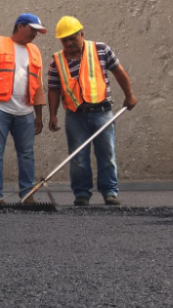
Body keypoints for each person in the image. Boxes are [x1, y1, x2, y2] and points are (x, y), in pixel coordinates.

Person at [48, 16, 136, 206]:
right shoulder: (57, 61)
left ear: (82, 34)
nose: (69, 43)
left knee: (107, 153)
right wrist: (53, 114)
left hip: (102, 112)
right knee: (78, 157)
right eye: (65, 40)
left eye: (73, 38)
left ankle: (110, 192)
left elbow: (119, 72)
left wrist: (129, 95)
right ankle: (82, 193)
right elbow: (54, 89)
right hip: (75, 116)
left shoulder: (101, 49)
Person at [0, 13, 47, 203]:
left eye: (38, 32)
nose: (35, 35)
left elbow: (38, 84)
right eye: (33, 30)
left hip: (25, 113)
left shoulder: (35, 51)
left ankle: (27, 194)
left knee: (27, 155)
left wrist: (39, 114)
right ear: (20, 26)